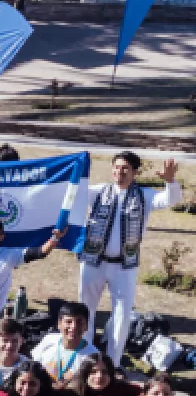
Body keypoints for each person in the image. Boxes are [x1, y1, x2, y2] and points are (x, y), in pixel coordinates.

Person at [78, 153, 182, 364]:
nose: (120, 172)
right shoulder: (99, 192)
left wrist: (170, 182)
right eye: (116, 167)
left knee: (122, 316)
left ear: (135, 172)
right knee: (85, 310)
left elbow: (170, 199)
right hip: (93, 261)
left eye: (125, 168)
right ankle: (84, 360)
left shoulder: (144, 195)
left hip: (124, 266)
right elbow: (73, 192)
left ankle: (112, 363)